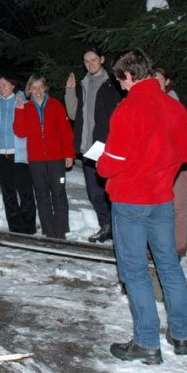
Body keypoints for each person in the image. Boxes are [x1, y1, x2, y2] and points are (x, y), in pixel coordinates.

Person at [97, 49, 187, 364]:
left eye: (120, 81)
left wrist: (102, 161)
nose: (121, 87)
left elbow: (111, 164)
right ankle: (180, 334)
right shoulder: (175, 108)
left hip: (131, 201)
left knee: (134, 271)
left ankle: (147, 342)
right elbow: (183, 154)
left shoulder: (128, 109)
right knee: (168, 265)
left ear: (129, 76)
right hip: (162, 198)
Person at [64, 49, 122, 243]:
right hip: (88, 150)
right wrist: (70, 90)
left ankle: (121, 230)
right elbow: (73, 114)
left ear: (102, 60)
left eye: (94, 60)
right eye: (86, 61)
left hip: (108, 149)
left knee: (113, 192)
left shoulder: (113, 84)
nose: (90, 64)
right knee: (95, 194)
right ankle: (106, 227)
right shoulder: (83, 85)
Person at [13, 74, 74, 238]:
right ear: (29, 90)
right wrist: (18, 112)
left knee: (59, 193)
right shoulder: (25, 108)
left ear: (45, 88)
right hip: (36, 160)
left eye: (40, 87)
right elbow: (20, 132)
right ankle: (49, 230)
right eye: (34, 87)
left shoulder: (56, 105)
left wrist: (69, 154)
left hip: (56, 159)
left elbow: (66, 132)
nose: (37, 91)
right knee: (41, 194)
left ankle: (60, 230)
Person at [0, 74, 36, 234]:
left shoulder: (23, 103)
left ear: (13, 85)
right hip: (0, 156)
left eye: (4, 85)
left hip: (19, 155)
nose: (1, 89)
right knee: (9, 194)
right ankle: (16, 229)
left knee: (25, 193)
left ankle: (29, 229)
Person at [153, 67, 187, 258]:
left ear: (167, 81)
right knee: (157, 206)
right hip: (155, 163)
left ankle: (178, 247)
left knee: (177, 205)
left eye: (159, 79)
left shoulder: (174, 103)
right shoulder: (149, 102)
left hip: (175, 162)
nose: (155, 82)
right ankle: (159, 246)